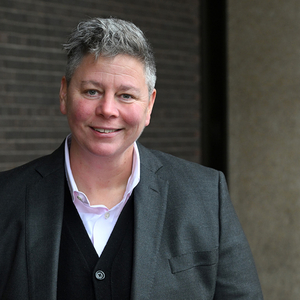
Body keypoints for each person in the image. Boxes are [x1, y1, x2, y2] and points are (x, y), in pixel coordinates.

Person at [0, 17, 263, 300]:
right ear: (64, 93)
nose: (108, 109)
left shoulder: (206, 195)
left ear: (149, 105)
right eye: (92, 91)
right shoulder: (6, 198)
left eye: (126, 96)